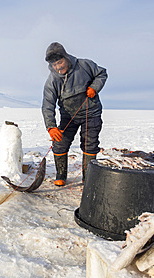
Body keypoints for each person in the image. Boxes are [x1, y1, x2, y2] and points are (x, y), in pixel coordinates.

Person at [42, 42, 107, 186]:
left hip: (91, 113)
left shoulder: (84, 65)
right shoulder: (52, 81)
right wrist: (51, 126)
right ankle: (61, 174)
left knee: (89, 144)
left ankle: (88, 178)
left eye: (60, 62)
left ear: (66, 57)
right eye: (55, 65)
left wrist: (95, 88)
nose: (58, 67)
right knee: (59, 144)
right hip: (68, 116)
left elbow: (102, 73)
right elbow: (48, 105)